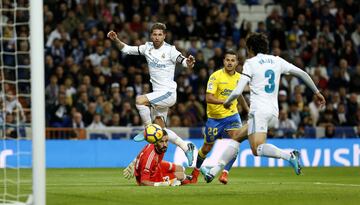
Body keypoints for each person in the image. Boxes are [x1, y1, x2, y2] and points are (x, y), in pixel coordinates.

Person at [201, 33, 326, 182]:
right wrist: (317, 92)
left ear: (251, 48)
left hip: (259, 112)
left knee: (257, 149)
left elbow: (238, 90)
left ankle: (289, 155)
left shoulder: (251, 63)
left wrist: (228, 101)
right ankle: (213, 171)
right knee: (237, 137)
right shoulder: (277, 60)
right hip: (273, 113)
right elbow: (302, 73)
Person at [107, 23, 195, 166]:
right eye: (154, 34)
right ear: (151, 35)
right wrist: (116, 39)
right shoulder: (147, 47)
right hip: (157, 95)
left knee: (139, 100)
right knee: (161, 132)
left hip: (168, 93)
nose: (157, 37)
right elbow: (127, 49)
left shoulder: (170, 50)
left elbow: (183, 61)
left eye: (160, 34)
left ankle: (148, 129)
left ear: (164, 36)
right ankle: (186, 147)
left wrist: (189, 62)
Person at [190, 50, 249, 185]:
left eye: (232, 60)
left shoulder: (240, 78)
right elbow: (208, 97)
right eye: (227, 60)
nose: (230, 63)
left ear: (237, 63)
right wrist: (225, 102)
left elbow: (239, 95)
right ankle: (196, 172)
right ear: (223, 61)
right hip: (214, 119)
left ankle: (224, 173)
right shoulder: (215, 76)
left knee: (236, 140)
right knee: (206, 148)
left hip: (232, 116)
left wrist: (247, 109)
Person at [125, 131, 190, 186]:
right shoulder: (149, 159)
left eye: (166, 141)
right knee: (181, 176)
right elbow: (143, 182)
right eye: (161, 141)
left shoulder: (155, 145)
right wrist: (164, 183)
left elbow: (142, 152)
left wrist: (134, 163)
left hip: (156, 166)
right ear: (155, 142)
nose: (165, 144)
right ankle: (186, 179)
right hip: (152, 178)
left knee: (181, 168)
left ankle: (185, 178)